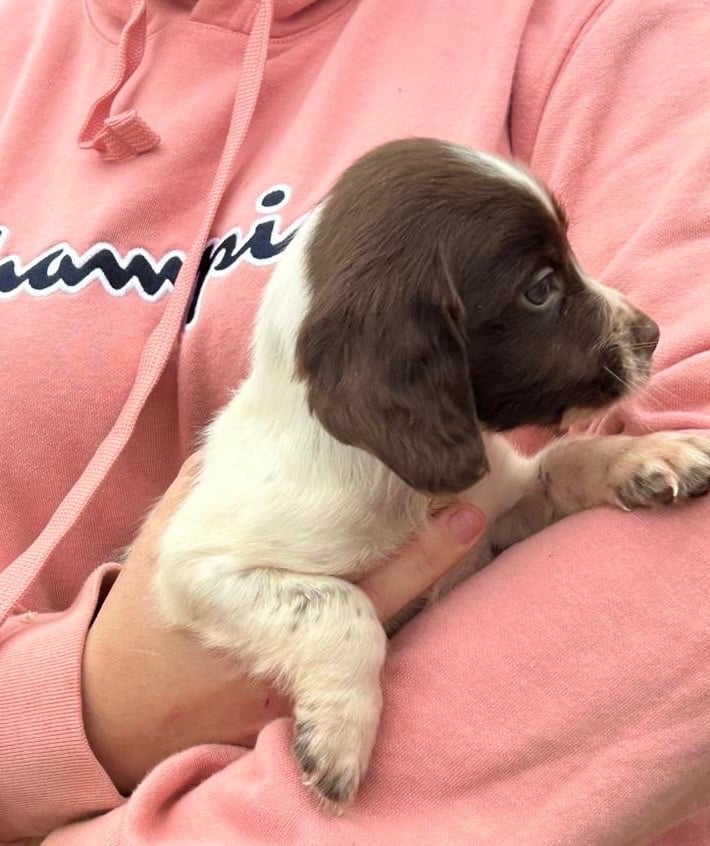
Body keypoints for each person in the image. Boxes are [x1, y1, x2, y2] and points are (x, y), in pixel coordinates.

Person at [0, 0, 708, 843]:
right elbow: (200, 573)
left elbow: (596, 541)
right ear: (415, 366)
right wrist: (86, 715)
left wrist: (582, 473)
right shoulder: (323, 482)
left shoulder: (598, 28)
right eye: (542, 288)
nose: (627, 322)